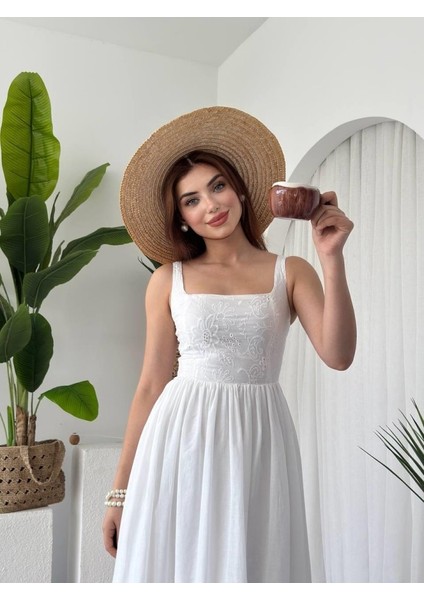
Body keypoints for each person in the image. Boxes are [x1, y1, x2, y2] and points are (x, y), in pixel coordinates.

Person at [103, 106, 356, 583]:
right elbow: (151, 385)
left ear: (239, 189)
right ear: (181, 218)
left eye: (217, 186)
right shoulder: (167, 280)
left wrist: (331, 257)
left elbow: (339, 355)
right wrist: (119, 493)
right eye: (191, 200)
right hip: (180, 438)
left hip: (259, 439)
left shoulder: (290, 271)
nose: (210, 205)